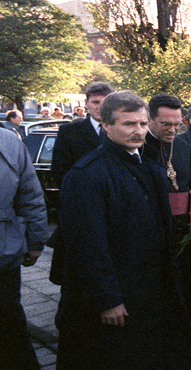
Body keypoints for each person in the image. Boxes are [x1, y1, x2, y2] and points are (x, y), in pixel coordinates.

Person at [53, 91, 191, 370]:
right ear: (106, 126)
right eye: (128, 124)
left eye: (142, 123)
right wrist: (107, 298)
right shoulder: (87, 174)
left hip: (150, 286)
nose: (138, 130)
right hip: (113, 293)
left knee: (167, 353)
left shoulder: (149, 167)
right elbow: (87, 245)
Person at [143, 93, 191, 370]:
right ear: (150, 120)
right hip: (155, 235)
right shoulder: (141, 147)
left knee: (189, 294)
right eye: (165, 124)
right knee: (162, 301)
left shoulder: (183, 147)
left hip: (185, 233)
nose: (172, 131)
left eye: (177, 124)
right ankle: (162, 362)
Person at [0, 129, 52, 370]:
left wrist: (35, 239)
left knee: (9, 324)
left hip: (3, 253)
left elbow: (30, 193)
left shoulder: (9, 141)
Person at [49, 82, 113, 286]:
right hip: (80, 207)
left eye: (104, 103)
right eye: (95, 102)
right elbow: (59, 170)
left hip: (115, 206)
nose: (99, 107)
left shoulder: (121, 129)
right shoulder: (70, 131)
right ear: (86, 104)